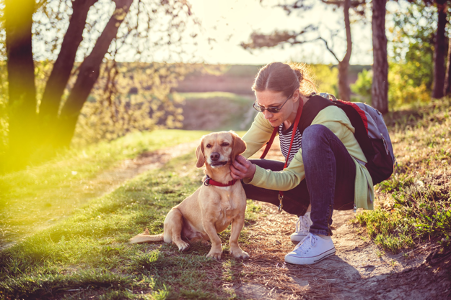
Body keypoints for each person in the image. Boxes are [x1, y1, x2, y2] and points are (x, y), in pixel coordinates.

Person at [230, 62, 374, 265]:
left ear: (295, 95)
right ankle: (307, 213)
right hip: (309, 180)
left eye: (273, 108)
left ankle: (321, 235)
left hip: (345, 187)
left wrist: (254, 173)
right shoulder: (271, 114)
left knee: (314, 134)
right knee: (235, 170)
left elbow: (290, 178)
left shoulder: (327, 117)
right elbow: (239, 150)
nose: (266, 114)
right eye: (261, 107)